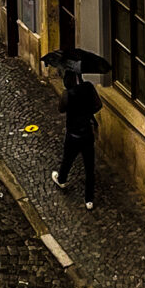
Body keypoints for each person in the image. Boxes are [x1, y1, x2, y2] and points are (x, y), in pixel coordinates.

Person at [51, 57, 101, 209]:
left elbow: (61, 109)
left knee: (68, 158)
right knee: (89, 166)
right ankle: (89, 200)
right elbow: (97, 105)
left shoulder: (68, 93)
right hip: (87, 133)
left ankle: (62, 179)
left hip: (73, 134)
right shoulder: (88, 87)